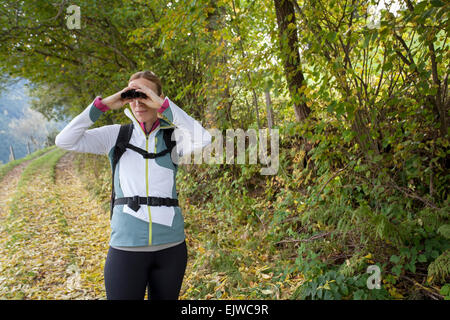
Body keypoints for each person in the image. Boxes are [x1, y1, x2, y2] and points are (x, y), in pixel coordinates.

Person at [55, 70, 212, 300]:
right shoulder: (116, 136)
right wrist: (106, 104)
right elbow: (64, 140)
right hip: (126, 248)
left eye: (145, 95)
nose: (138, 103)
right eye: (133, 95)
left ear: (158, 99)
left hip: (171, 248)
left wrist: (163, 106)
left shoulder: (173, 138)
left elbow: (204, 137)